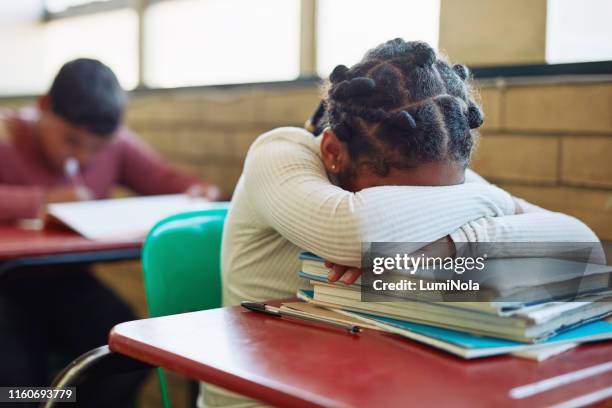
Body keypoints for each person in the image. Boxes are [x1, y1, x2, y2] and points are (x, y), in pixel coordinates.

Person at [201, 39, 599, 407]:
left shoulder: (434, 160)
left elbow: (581, 243)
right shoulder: (279, 152)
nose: (426, 212)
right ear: (332, 151)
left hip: (373, 383)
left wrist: (447, 243)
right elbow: (358, 233)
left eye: (442, 199)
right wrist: (493, 200)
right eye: (403, 203)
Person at [0, 58, 220, 406]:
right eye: (71, 140)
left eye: (97, 148)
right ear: (44, 106)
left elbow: (165, 178)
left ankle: (63, 401)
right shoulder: (6, 136)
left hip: (65, 282)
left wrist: (197, 191)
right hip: (6, 286)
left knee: (130, 353)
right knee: (15, 388)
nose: (84, 158)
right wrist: (41, 201)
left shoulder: (117, 144)